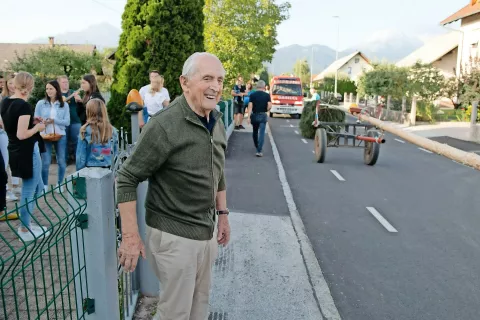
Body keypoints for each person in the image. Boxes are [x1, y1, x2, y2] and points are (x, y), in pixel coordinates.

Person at [116, 52, 231, 320]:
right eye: (207, 78)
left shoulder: (216, 120)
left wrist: (223, 215)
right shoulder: (164, 125)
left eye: (220, 80)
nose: (215, 86)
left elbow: (218, 169)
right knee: (175, 313)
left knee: (198, 307)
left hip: (206, 232)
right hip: (175, 237)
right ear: (184, 82)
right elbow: (127, 178)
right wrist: (131, 238)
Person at [0, 72, 50, 241]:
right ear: (29, 86)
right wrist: (38, 128)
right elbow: (22, 134)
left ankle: (26, 223)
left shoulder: (5, 102)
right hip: (27, 151)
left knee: (35, 188)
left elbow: (10, 126)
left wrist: (32, 121)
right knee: (29, 190)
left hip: (15, 149)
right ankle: (24, 229)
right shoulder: (23, 105)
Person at [35, 80, 70, 193]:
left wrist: (54, 120)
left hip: (60, 135)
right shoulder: (41, 103)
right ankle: (44, 185)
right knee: (45, 162)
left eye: (51, 89)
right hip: (45, 135)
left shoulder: (64, 104)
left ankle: (59, 184)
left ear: (56, 90)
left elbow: (67, 122)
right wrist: (42, 121)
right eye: (47, 89)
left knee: (61, 161)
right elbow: (35, 120)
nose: (48, 91)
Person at [76, 99, 118, 171]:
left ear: (88, 112)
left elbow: (80, 158)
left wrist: (79, 173)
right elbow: (116, 155)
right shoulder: (113, 130)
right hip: (109, 170)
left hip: (90, 172)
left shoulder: (84, 131)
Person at [58, 75, 82, 164]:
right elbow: (61, 101)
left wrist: (77, 99)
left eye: (67, 82)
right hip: (62, 122)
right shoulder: (57, 94)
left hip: (75, 120)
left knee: (77, 141)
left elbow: (79, 102)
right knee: (63, 142)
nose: (66, 84)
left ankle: (78, 160)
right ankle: (64, 161)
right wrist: (72, 95)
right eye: (63, 82)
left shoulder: (73, 92)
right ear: (59, 83)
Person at [247, 80, 272, 157]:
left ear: (257, 86)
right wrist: (266, 109)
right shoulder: (267, 95)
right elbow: (270, 105)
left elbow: (250, 106)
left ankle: (256, 145)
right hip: (262, 115)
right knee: (261, 133)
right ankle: (259, 150)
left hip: (254, 115)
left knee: (255, 131)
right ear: (264, 87)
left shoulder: (252, 95)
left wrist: (248, 117)